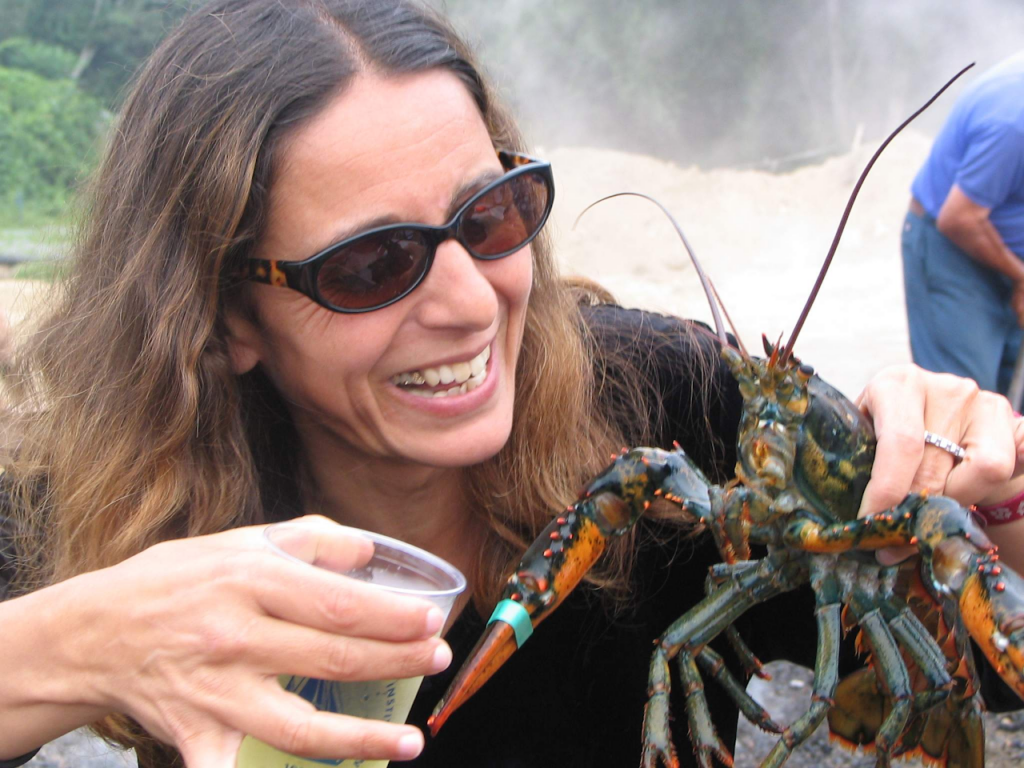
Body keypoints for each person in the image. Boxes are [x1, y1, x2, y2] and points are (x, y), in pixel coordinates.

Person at [1, 2, 1023, 767]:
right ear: (225, 319)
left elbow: (972, 655)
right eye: (372, 265)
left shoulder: (669, 399)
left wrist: (993, 484)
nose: (469, 300)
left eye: (489, 215)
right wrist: (72, 642)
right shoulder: (91, 498)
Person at [903, 52, 1024, 397]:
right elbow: (960, 218)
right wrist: (1021, 276)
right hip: (953, 253)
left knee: (1012, 417)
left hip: (1011, 257)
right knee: (964, 403)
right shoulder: (1012, 122)